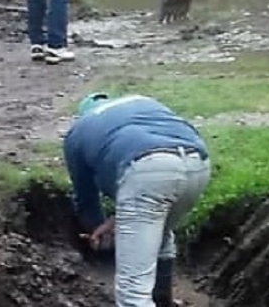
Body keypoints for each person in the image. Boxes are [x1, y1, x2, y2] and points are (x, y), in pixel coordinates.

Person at [63, 92, 211, 307]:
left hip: (146, 168)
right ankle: (163, 301)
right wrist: (119, 221)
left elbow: (86, 197)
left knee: (133, 291)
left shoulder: (78, 131)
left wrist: (96, 233)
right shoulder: (141, 101)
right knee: (160, 233)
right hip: (197, 165)